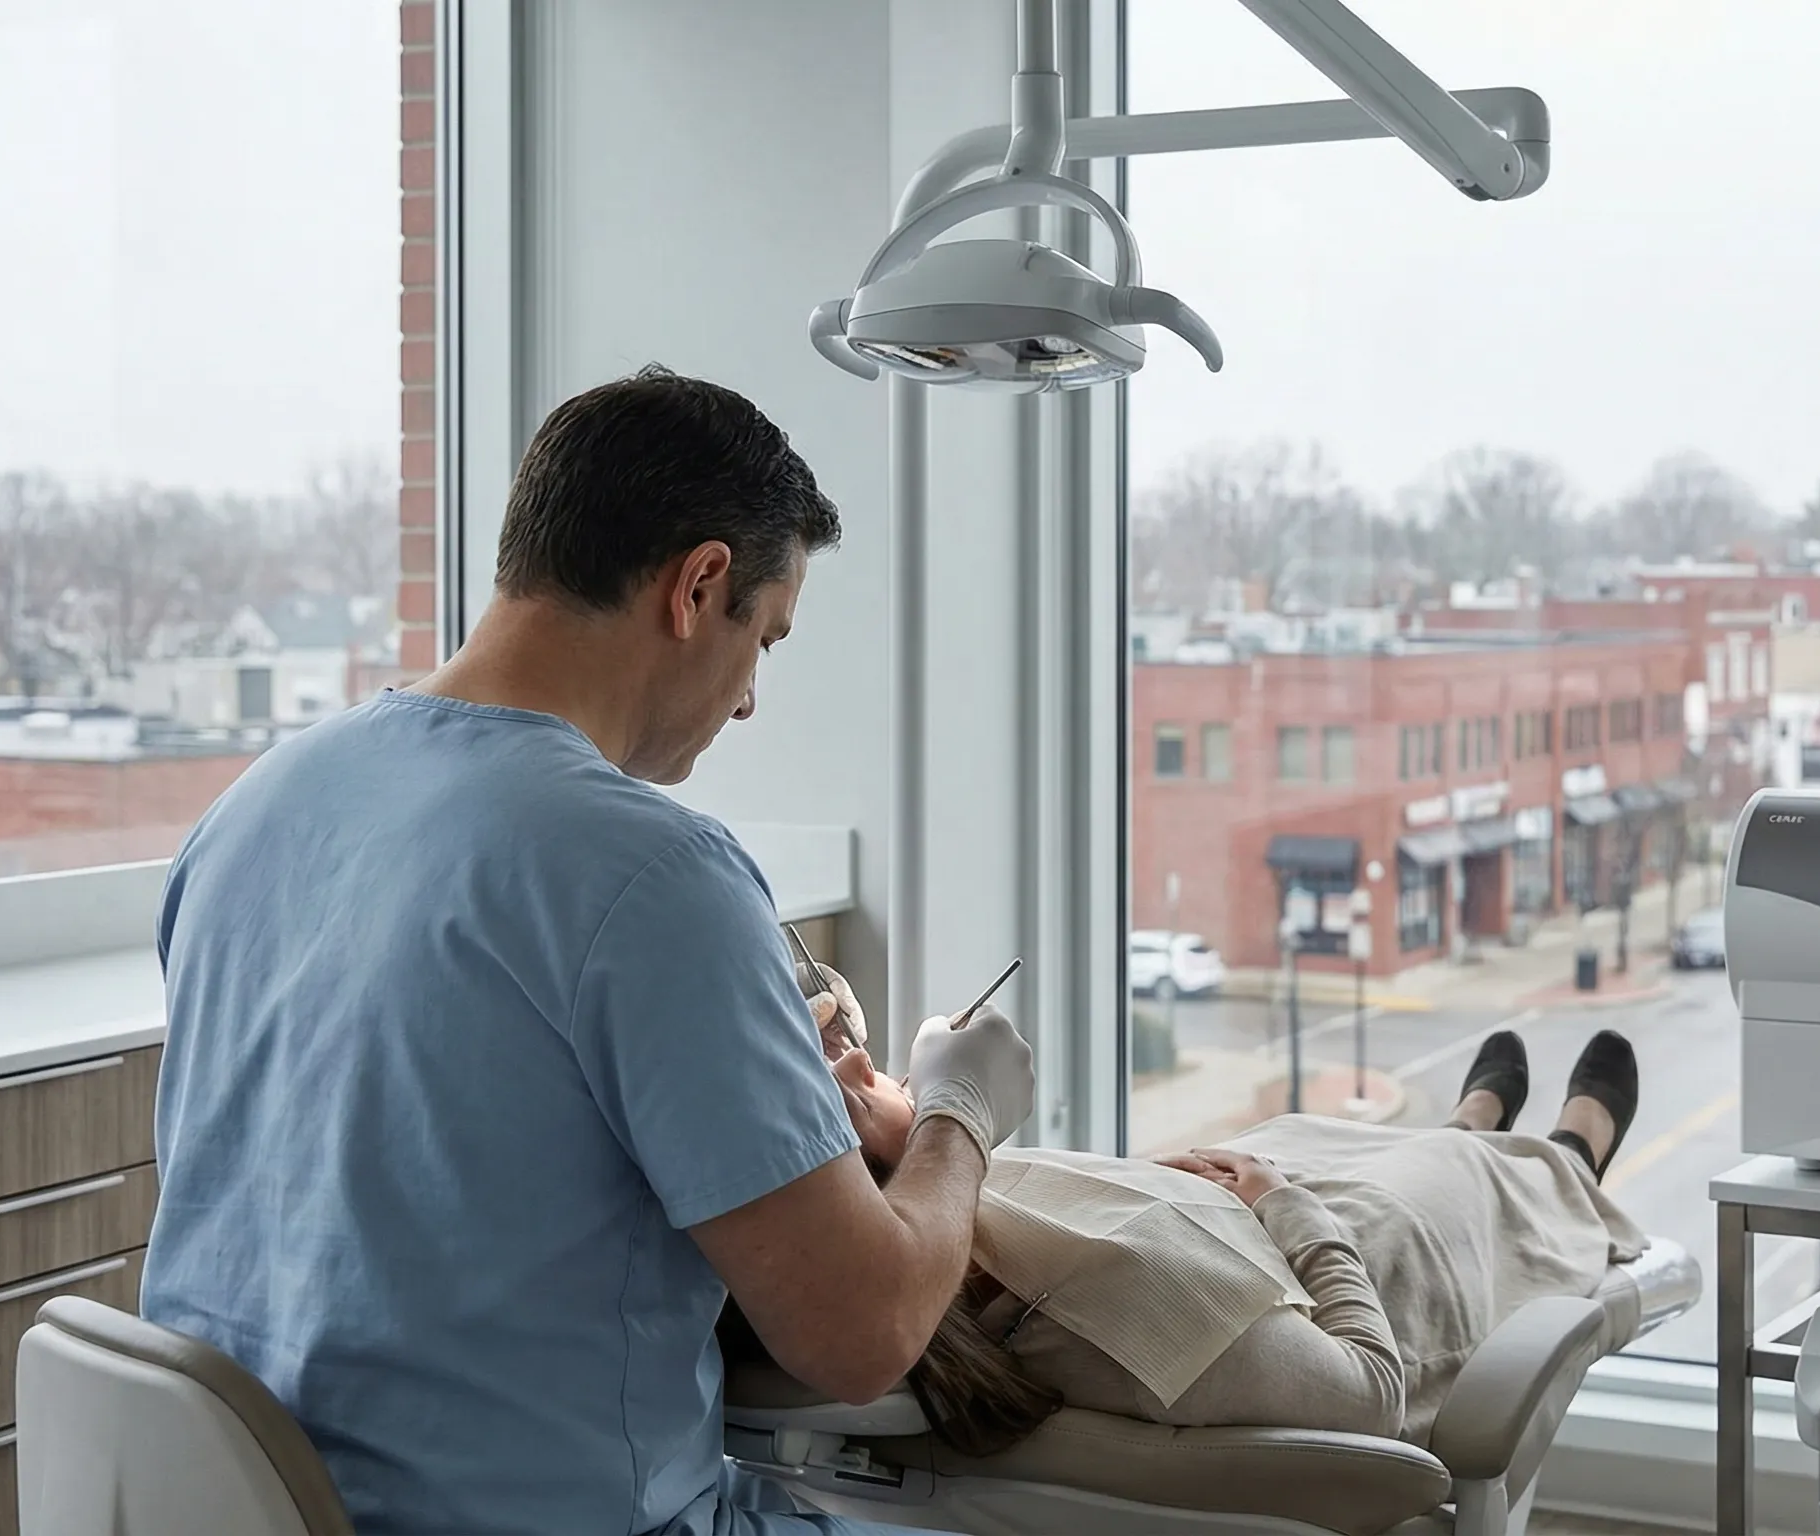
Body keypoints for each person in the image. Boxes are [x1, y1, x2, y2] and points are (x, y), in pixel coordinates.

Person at [143, 366, 1034, 1536]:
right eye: (763, 637)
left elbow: (410, 1150)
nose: (752, 696)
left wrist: (738, 1091)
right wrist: (958, 1112)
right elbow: (858, 1335)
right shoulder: (652, 875)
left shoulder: (257, 804)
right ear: (698, 585)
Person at [761, 1004, 1642, 1454]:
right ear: (881, 1184)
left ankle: (1470, 1123)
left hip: (1240, 1221)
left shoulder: (981, 1234)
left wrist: (1162, 1186)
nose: (855, 1058)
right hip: (1350, 1265)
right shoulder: (1114, 1321)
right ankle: (1567, 1151)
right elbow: (1373, 1388)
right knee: (1441, 1179)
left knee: (1295, 1137)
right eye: (834, 1085)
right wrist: (1285, 1208)